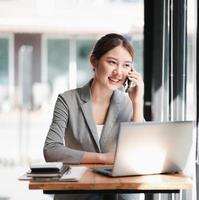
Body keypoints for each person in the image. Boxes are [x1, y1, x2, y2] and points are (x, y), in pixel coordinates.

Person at [43, 33, 145, 200]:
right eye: (112, 62)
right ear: (94, 61)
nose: (119, 72)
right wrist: (103, 159)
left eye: (126, 65)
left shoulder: (128, 104)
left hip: (119, 190)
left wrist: (137, 103)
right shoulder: (67, 100)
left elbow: (140, 151)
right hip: (78, 191)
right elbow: (51, 150)